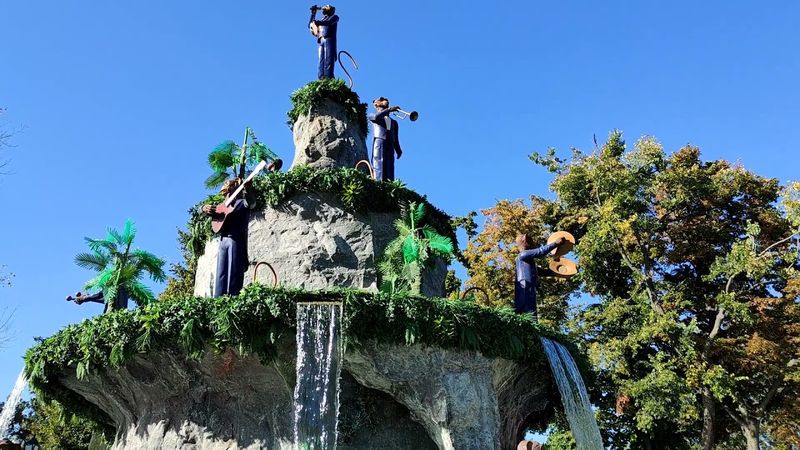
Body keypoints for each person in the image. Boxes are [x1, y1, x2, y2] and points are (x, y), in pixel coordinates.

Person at [203, 178, 251, 297]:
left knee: (233, 270)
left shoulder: (242, 203)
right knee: (221, 272)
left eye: (229, 186)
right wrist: (203, 208)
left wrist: (248, 190)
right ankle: (218, 299)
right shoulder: (221, 206)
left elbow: (251, 202)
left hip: (235, 240)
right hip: (223, 241)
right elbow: (209, 211)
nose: (226, 189)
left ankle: (232, 297)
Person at [515, 233, 565, 317]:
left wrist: (556, 271)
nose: (532, 244)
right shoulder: (523, 255)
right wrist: (555, 243)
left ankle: (531, 325)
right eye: (530, 242)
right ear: (524, 241)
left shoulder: (528, 261)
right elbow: (540, 251)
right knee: (526, 307)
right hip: (525, 285)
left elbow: (541, 272)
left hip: (530, 286)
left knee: (531, 307)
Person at [369, 97, 403, 181]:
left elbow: (396, 137)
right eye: (381, 99)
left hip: (390, 143)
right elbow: (376, 117)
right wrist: (389, 110)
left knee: (390, 164)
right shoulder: (373, 115)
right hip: (379, 140)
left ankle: (389, 182)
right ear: (376, 105)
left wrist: (398, 149)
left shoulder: (394, 122)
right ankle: (378, 182)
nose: (384, 100)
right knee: (379, 162)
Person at [309, 4, 339, 79]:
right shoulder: (322, 20)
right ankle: (321, 77)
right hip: (321, 40)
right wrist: (313, 14)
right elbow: (311, 26)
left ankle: (329, 77)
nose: (324, 8)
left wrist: (317, 22)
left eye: (326, 7)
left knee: (328, 58)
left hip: (329, 39)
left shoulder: (334, 17)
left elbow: (328, 22)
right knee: (321, 60)